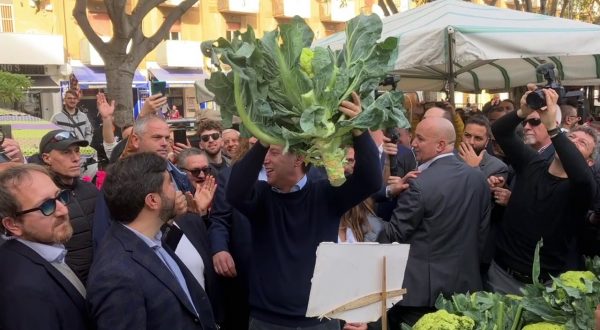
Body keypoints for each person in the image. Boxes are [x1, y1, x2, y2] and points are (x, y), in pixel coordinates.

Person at [226, 92, 381, 329]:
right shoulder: (260, 198)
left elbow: (370, 179)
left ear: (299, 158)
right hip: (269, 321)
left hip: (320, 320)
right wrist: (264, 140)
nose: (265, 161)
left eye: (274, 153)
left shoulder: (327, 195)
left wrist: (359, 128)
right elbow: (235, 191)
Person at [379, 117, 491, 327]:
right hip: (465, 291)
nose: (413, 144)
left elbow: (393, 234)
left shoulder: (419, 184)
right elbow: (482, 235)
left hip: (421, 295)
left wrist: (367, 219)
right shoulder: (478, 179)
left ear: (440, 145)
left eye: (420, 139)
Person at [87, 153, 217, 330]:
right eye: (170, 184)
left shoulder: (154, 237)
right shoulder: (115, 274)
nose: (177, 190)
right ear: (153, 200)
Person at [487, 88, 597, 295]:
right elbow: (500, 131)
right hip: (502, 275)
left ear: (590, 162)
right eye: (571, 138)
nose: (573, 143)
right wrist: (522, 111)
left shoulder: (581, 189)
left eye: (582, 143)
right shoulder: (531, 163)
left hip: (545, 286)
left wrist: (553, 128)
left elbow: (581, 176)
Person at [0, 165, 90, 329]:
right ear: (13, 224)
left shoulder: (45, 250)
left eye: (60, 196)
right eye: (47, 206)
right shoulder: (23, 293)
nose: (63, 210)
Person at [38, 129, 99, 283]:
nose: (76, 158)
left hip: (101, 277)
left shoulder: (90, 189)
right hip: (66, 283)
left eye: (77, 151)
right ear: (47, 158)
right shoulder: (40, 198)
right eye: (66, 152)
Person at [457, 115, 508, 180]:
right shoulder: (448, 157)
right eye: (467, 135)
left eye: (478, 138)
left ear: (487, 142)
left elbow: (480, 189)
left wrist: (474, 168)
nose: (471, 142)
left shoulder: (497, 167)